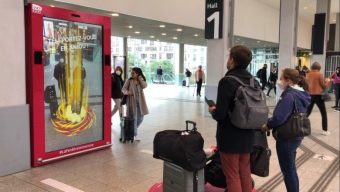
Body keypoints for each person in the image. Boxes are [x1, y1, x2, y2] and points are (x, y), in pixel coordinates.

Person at [208, 45, 255, 192]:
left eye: (228, 57)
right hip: (248, 134)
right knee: (244, 171)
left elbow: (221, 114)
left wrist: (213, 110)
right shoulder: (254, 81)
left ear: (232, 60)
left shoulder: (227, 81)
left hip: (230, 136)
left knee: (232, 174)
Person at [265, 68, 311, 192]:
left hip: (287, 137)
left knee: (288, 170)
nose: (279, 81)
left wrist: (267, 124)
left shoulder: (289, 95)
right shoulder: (301, 93)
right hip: (296, 135)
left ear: (288, 80)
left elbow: (279, 117)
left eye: (281, 78)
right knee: (291, 168)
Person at [121, 67, 149, 141]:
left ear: (137, 74)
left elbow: (145, 86)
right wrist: (128, 92)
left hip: (140, 102)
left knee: (141, 117)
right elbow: (123, 89)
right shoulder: (129, 81)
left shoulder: (140, 81)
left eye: (133, 73)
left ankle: (132, 130)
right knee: (134, 118)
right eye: (131, 72)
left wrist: (140, 78)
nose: (131, 74)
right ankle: (134, 135)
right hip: (131, 102)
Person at [306, 62, 331, 135]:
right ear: (319, 67)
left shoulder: (308, 74)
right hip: (318, 96)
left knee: (307, 112)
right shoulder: (319, 74)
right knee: (323, 113)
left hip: (310, 95)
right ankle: (325, 130)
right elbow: (323, 86)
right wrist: (327, 81)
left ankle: (299, 126)